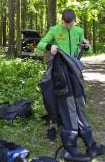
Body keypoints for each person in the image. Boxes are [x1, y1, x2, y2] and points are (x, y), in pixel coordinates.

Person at [37, 9, 105, 162]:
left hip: (74, 73)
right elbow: (40, 44)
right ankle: (70, 150)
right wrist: (49, 47)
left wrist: (86, 45)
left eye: (70, 23)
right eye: (65, 23)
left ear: (74, 21)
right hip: (60, 74)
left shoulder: (78, 31)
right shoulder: (55, 30)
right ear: (62, 20)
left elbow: (89, 49)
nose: (67, 26)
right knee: (68, 108)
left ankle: (91, 145)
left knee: (80, 104)